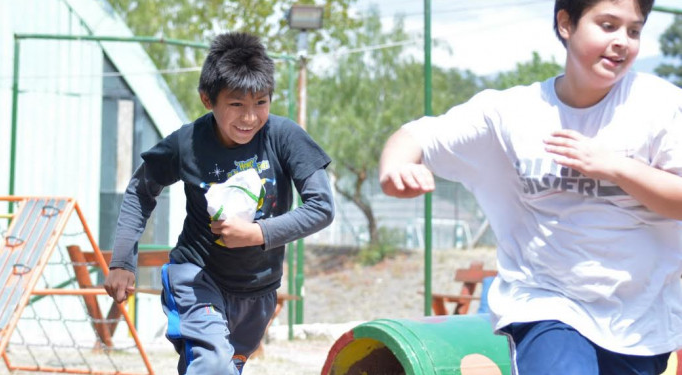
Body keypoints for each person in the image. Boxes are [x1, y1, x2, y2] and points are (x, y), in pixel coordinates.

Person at [379, 0, 682, 373]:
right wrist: (395, 167)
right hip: (546, 301)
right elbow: (417, 134)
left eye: (633, 31)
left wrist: (616, 168)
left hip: (640, 319)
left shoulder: (660, 106)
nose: (622, 41)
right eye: (607, 25)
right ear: (566, 24)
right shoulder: (514, 112)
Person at [103, 31, 334, 375]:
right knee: (213, 365)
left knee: (220, 368)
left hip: (259, 289)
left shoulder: (285, 137)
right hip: (197, 277)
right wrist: (122, 260)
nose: (250, 117)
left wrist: (257, 233)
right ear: (208, 100)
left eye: (261, 103)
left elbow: (322, 208)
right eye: (237, 104)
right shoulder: (187, 143)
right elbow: (140, 190)